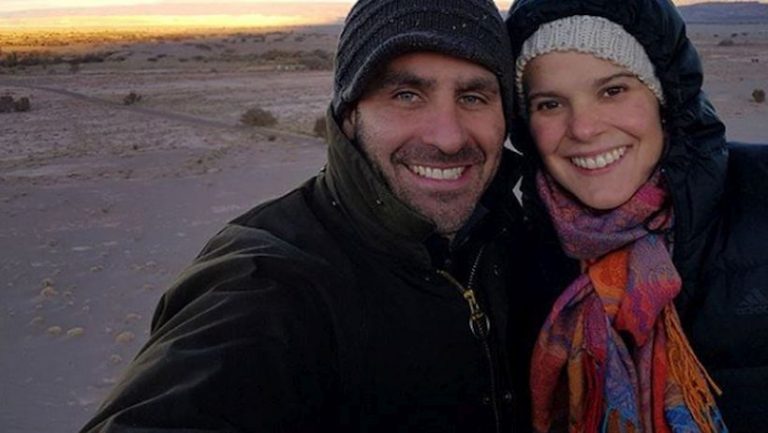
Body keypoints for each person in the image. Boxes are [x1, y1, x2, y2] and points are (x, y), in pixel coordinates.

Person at [80, 1, 531, 432]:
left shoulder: (514, 235)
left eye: (473, 97)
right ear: (349, 115)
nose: (449, 138)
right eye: (407, 95)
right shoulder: (269, 279)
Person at [505, 0, 768, 432]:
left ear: (664, 99)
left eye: (613, 91)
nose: (583, 128)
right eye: (550, 104)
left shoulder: (758, 197)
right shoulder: (513, 259)